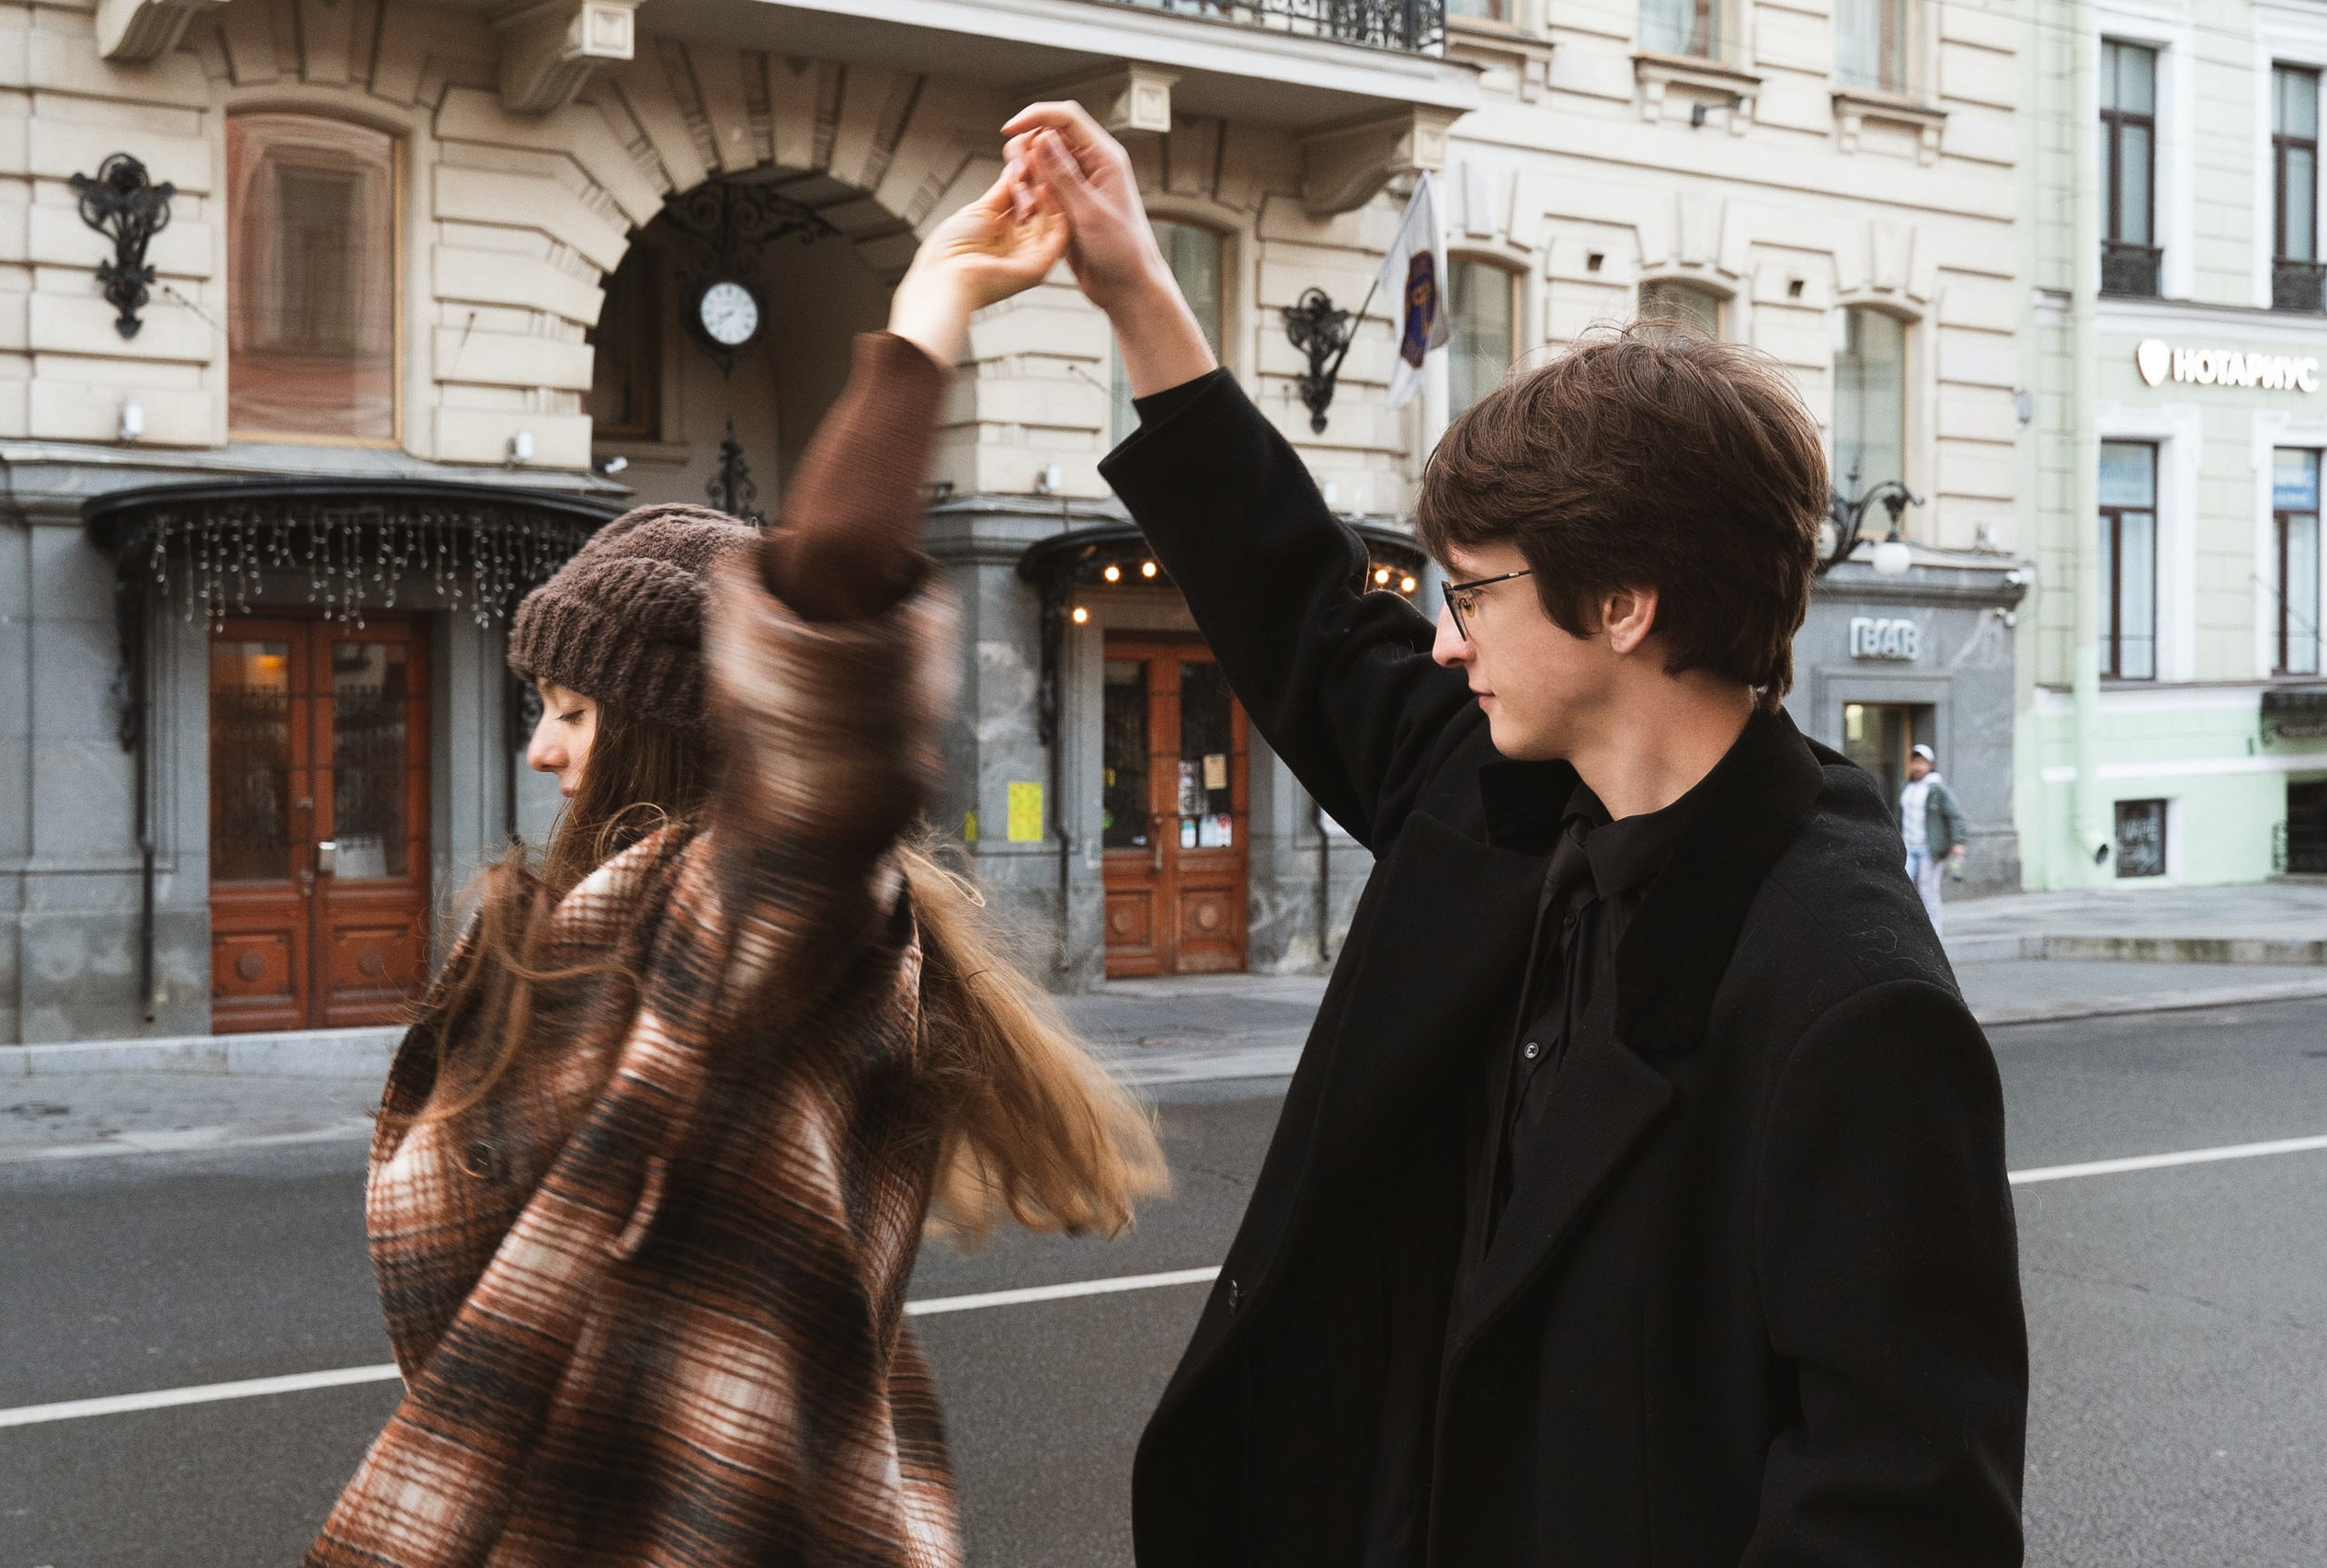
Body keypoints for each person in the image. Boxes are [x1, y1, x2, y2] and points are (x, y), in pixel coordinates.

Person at [1004, 104, 2027, 1568]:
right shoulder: (1498, 798)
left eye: (1472, 593)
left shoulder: (1848, 995)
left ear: (1622, 603)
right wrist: (1135, 290)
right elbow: (1303, 612)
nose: (1442, 639)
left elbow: (1899, 1508)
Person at [304, 166, 1164, 1568]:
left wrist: (932, 307)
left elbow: (829, 649)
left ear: (668, 728)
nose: (539, 749)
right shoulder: (590, 934)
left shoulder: (746, 925)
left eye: (571, 711)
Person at [1899, 741, 1969, 934]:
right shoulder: (1906, 787)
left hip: (1929, 849)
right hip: (1908, 847)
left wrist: (1958, 842)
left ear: (1930, 765)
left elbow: (1954, 815)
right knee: (1903, 888)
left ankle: (1934, 934)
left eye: (1922, 762)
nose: (1917, 766)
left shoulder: (1937, 789)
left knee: (1928, 891)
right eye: (1914, 762)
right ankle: (1910, 932)